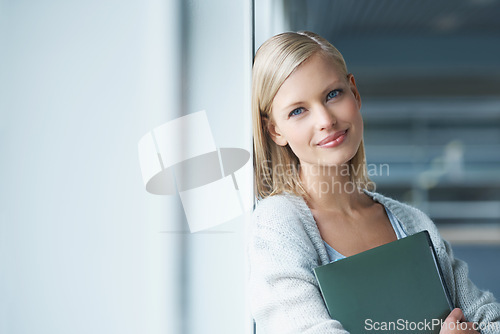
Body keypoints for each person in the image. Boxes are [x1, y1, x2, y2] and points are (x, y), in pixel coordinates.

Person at [247, 31, 500, 334]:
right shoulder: (278, 223)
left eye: (333, 94)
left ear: (354, 92)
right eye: (298, 111)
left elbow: (488, 318)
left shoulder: (411, 222)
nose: (325, 119)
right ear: (275, 131)